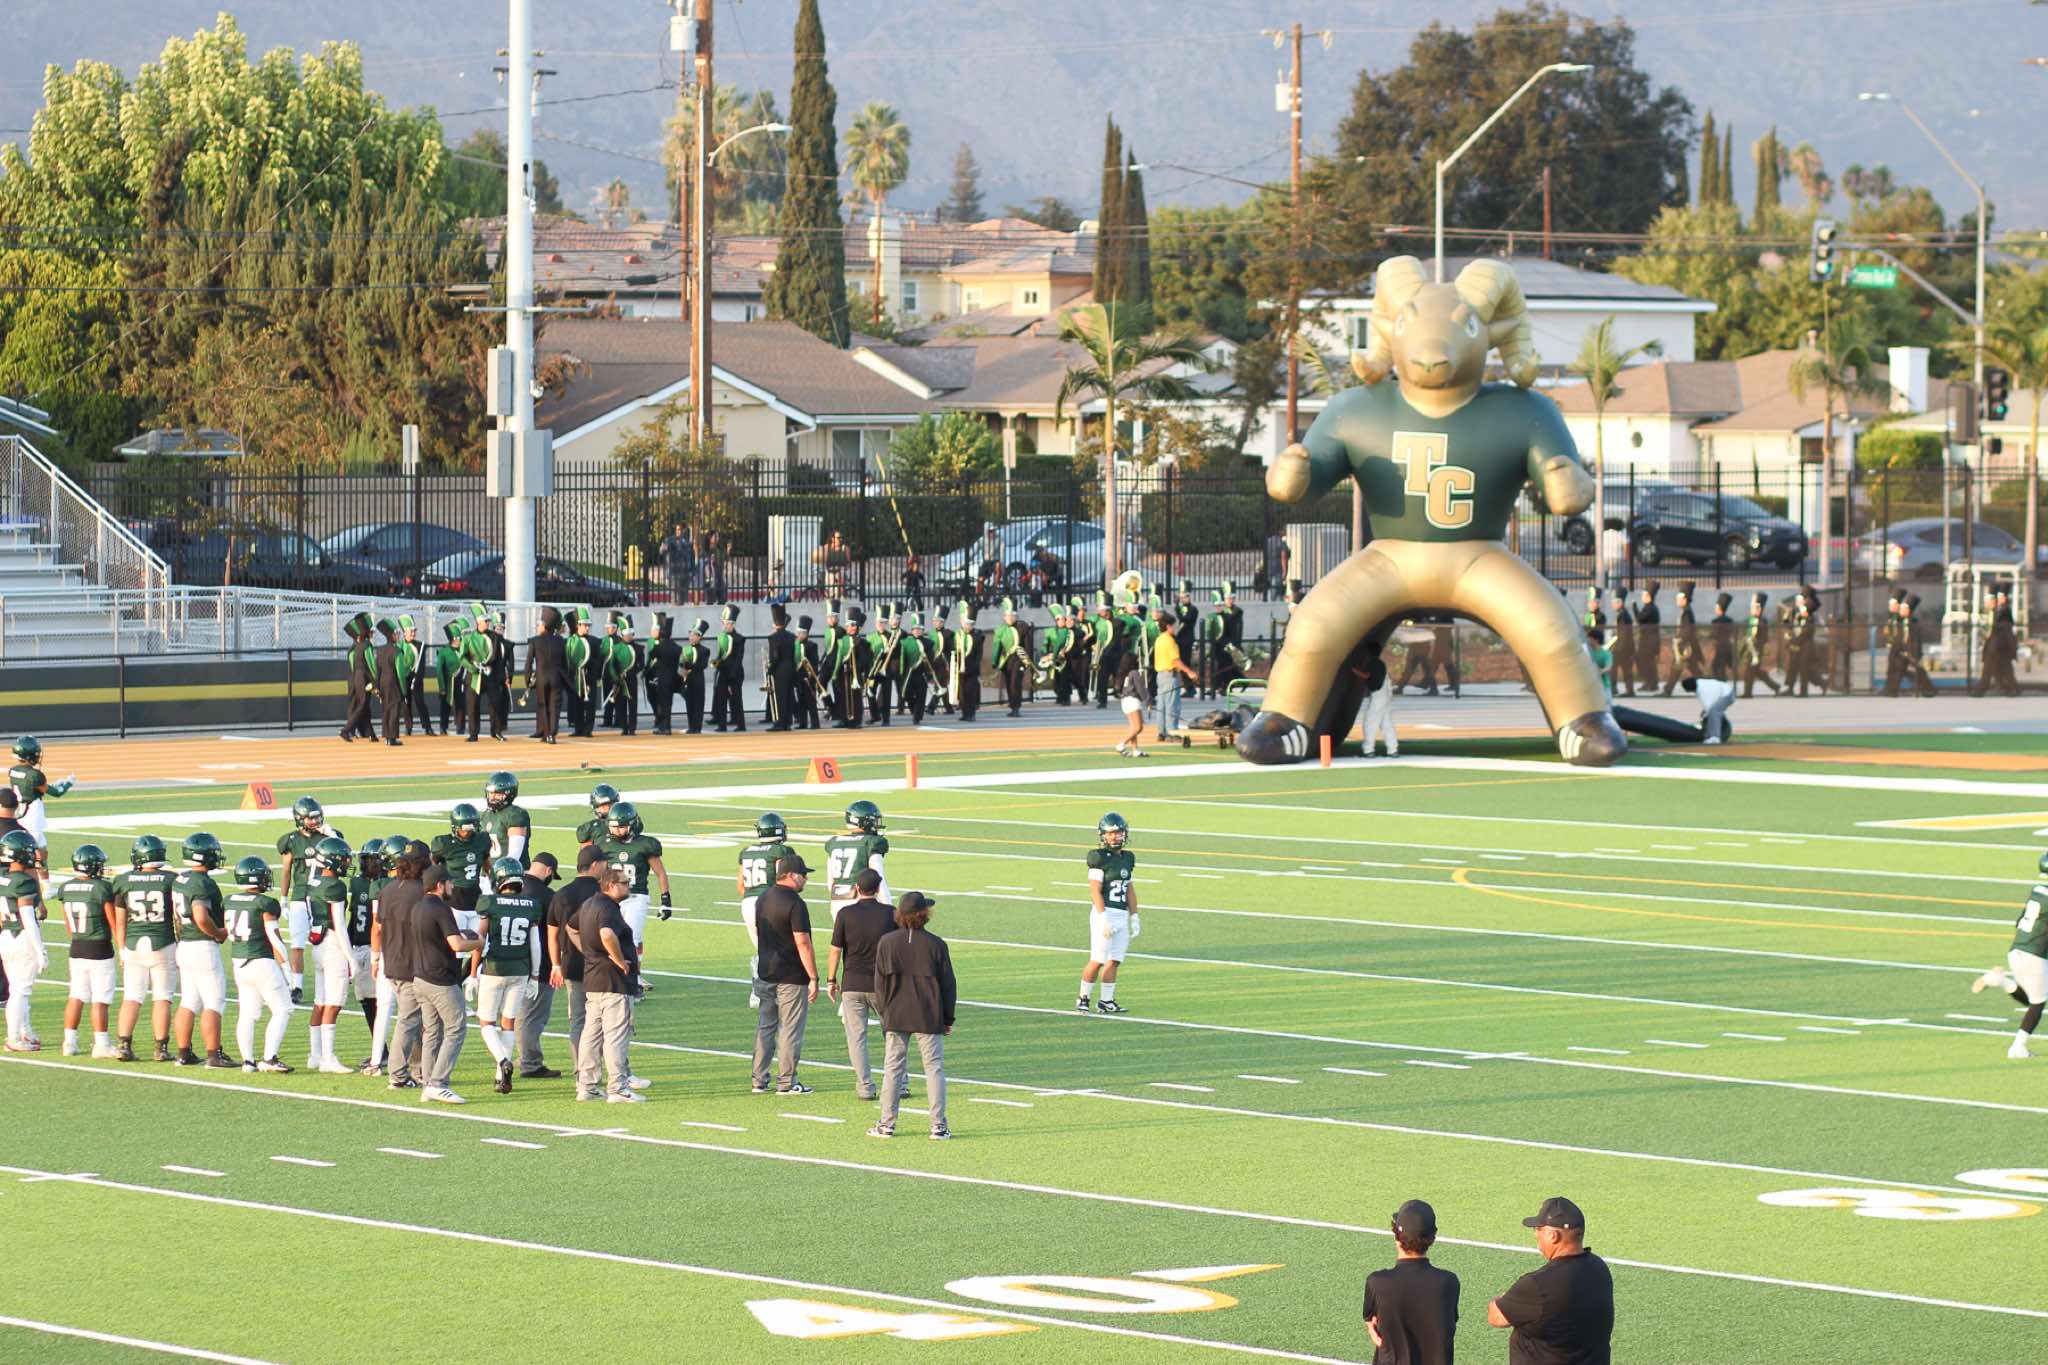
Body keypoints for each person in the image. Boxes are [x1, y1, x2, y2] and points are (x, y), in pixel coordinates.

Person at [869, 890, 956, 1141]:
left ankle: (886, 1124)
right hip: (928, 1015)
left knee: (893, 1069)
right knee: (934, 1068)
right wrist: (947, 1018)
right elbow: (948, 985)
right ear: (922, 914)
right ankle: (938, 1126)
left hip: (896, 1014)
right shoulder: (936, 944)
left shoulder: (886, 942)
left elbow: (879, 984)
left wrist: (885, 1012)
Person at [1487, 1196, 1614, 1365]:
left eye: (1538, 1229)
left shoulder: (1538, 1286)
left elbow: (1496, 1316)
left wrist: (1503, 1298)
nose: (1536, 1234)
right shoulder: (1599, 1269)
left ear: (1553, 1236)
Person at [401, 862, 480, 1104]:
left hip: (420, 978)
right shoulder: (440, 908)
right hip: (440, 980)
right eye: (449, 882)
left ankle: (428, 1084)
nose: (452, 886)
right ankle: (438, 1083)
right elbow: (457, 944)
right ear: (439, 885)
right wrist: (479, 942)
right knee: (456, 1028)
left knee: (432, 1032)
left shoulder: (417, 907)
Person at [571, 865, 643, 1102]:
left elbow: (571, 928)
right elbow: (607, 934)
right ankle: (617, 1088)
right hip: (614, 982)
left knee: (591, 1035)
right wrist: (618, 959)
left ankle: (587, 1085)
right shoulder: (608, 907)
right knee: (615, 1036)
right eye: (624, 883)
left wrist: (590, 953)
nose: (628, 886)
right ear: (611, 885)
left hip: (593, 979)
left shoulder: (588, 904)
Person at [751, 853, 819, 1096]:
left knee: (766, 1026)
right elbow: (803, 943)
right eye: (803, 875)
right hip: (790, 975)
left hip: (765, 971)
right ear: (790, 875)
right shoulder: (795, 903)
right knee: (790, 1029)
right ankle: (787, 1082)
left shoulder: (763, 898)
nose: (806, 879)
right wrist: (813, 977)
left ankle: (759, 1079)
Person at [475, 856, 544, 1094]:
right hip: (521, 970)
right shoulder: (531, 904)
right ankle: (500, 1078)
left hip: (494, 968)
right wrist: (535, 976)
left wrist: (472, 973)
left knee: (486, 1022)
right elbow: (535, 945)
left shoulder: (489, 902)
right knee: (508, 1022)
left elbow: (479, 940)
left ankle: (503, 1061)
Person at [1362, 1199, 1459, 1365]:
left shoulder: (1377, 1283)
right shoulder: (1449, 1283)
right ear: (1432, 1239)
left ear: (1396, 1236)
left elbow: (1371, 1321)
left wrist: (1371, 1329)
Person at [827, 868, 896, 1101]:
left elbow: (835, 950)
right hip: (882, 984)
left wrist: (831, 979)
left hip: (852, 984)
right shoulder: (890, 914)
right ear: (878, 889)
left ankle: (865, 1086)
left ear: (857, 888)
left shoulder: (845, 914)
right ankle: (899, 1084)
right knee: (893, 1035)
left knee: (856, 1038)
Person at [1973, 850, 2048, 1059]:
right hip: (2035, 954)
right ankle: (2018, 1047)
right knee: (2037, 1003)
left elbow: (2019, 922)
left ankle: (1999, 980)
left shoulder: (2037, 890)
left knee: (2032, 999)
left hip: (2017, 949)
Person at [222, 855, 294, 1072]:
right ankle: (269, 1058)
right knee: (283, 1009)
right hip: (262, 962)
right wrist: (287, 968)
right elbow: (275, 939)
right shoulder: (265, 904)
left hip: (238, 963)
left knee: (248, 1014)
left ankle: (248, 1061)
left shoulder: (229, 900)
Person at [169, 832, 233, 1068]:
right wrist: (218, 933)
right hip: (202, 946)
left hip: (184, 944)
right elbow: (201, 916)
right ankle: (214, 1055)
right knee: (214, 1002)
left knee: (189, 1001)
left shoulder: (181, 879)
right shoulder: (202, 882)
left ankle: (183, 1053)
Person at [113, 834, 178, 1062]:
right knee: (162, 997)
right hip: (163, 943)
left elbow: (120, 922)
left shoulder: (123, 880)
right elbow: (178, 917)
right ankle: (161, 1048)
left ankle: (124, 1045)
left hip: (133, 944)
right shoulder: (171, 879)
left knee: (131, 996)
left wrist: (121, 949)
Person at [547, 846, 607, 1080]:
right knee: (604, 1019)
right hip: (599, 964)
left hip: (570, 962)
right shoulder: (603, 892)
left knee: (578, 1020)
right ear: (595, 865)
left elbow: (552, 934)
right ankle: (602, 1069)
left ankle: (580, 1069)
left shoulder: (561, 894)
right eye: (604, 863)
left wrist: (555, 964)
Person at [305, 836, 362, 1074]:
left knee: (320, 1001)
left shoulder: (313, 882)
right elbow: (339, 926)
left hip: (317, 946)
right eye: (344, 859)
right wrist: (351, 958)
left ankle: (315, 1055)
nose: (347, 863)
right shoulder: (335, 886)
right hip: (333, 947)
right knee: (334, 1003)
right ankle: (327, 1058)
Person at [57, 844, 120, 1058]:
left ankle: (69, 1042)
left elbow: (69, 926)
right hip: (99, 949)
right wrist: (122, 949)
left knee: (76, 996)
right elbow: (114, 923)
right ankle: (101, 1044)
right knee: (100, 999)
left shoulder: (66, 888)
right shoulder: (101, 888)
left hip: (77, 947)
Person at [594, 800, 671, 968]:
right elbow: (598, 872)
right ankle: (623, 973)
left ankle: (634, 977)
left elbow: (660, 872)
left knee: (632, 939)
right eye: (613, 826)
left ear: (632, 824)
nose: (616, 830)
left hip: (636, 896)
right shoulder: (604, 844)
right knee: (608, 936)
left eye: (621, 827)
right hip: (611, 898)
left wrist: (666, 900)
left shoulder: (645, 844)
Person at [1078, 813, 1136, 1014]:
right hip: (1104, 913)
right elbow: (1095, 890)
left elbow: (1129, 888)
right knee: (1098, 959)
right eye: (1110, 833)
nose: (1114, 837)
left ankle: (1106, 1001)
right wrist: (1103, 917)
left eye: (1118, 832)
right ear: (1103, 835)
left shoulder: (1128, 858)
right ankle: (1083, 998)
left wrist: (1134, 915)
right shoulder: (1099, 858)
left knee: (1115, 959)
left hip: (1120, 914)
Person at [514, 851, 565, 1080]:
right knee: (532, 1016)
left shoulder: (510, 886)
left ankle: (511, 1058)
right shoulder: (548, 896)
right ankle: (530, 1063)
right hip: (539, 963)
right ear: (549, 871)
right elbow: (556, 932)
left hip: (508, 961)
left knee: (513, 1014)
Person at [739, 813, 796, 1007]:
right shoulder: (781, 851)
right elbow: (783, 879)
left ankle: (758, 993)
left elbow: (741, 886)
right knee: (780, 948)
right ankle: (775, 991)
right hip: (770, 903)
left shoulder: (747, 851)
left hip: (748, 903)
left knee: (762, 949)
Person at [0, 831, 47, 1052]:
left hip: (5, 936)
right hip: (21, 937)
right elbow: (28, 919)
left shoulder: (3, 877)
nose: (33, 854)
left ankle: (25, 1031)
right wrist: (41, 951)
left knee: (17, 989)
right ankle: (13, 1039)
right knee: (21, 991)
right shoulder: (24, 881)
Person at [8, 734, 71, 871]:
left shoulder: (13, 771)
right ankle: (38, 881)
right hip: (32, 816)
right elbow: (57, 792)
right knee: (36, 856)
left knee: (38, 851)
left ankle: (43, 881)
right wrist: (68, 783)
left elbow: (33, 786)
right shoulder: (35, 775)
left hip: (19, 813)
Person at [823, 800, 890, 923]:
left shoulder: (834, 843)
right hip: (862, 903)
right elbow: (879, 879)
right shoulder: (871, 843)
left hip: (838, 901)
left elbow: (830, 881)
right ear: (865, 822)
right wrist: (888, 907)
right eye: (874, 820)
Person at [1152, 600, 1198, 742]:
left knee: (1162, 706)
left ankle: (1161, 732)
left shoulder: (1159, 639)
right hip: (1170, 676)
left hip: (1160, 676)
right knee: (1172, 705)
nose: (1176, 628)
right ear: (1168, 626)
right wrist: (1189, 672)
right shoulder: (1169, 640)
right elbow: (1175, 660)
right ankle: (1171, 732)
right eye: (1174, 625)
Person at [525, 606, 568, 743]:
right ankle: (551, 734)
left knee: (543, 705)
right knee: (554, 707)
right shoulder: (560, 641)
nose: (538, 627)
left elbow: (528, 663)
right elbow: (564, 663)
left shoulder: (535, 641)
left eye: (540, 624)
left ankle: (546, 732)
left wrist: (528, 681)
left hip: (541, 678)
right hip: (556, 678)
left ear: (544, 626)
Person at [341, 612, 378, 741]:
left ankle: (370, 733)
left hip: (357, 677)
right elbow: (372, 665)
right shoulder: (367, 645)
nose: (372, 634)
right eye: (371, 631)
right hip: (364, 678)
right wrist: (376, 681)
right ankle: (346, 730)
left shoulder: (356, 647)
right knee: (362, 705)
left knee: (365, 706)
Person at [480, 771, 530, 865]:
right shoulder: (485, 815)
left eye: (497, 794)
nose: (492, 797)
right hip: (489, 870)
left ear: (509, 794)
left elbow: (514, 855)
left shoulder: (515, 814)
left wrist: (504, 869)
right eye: (490, 793)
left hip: (511, 870)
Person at [712, 605, 747, 732]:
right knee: (721, 699)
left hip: (735, 673)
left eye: (728, 624)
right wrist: (716, 663)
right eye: (724, 623)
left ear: (733, 624)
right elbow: (721, 655)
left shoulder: (739, 639)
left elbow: (738, 659)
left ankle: (741, 725)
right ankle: (722, 725)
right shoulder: (721, 637)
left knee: (736, 700)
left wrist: (732, 676)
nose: (725, 626)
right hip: (723, 673)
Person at [1358, 647, 1398, 757]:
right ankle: (1393, 750)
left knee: (1370, 722)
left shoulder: (1373, 663)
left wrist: (1352, 670)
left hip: (1378, 696)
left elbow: (1366, 676)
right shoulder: (1381, 663)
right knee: (1386, 723)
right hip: (1386, 695)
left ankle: (1368, 750)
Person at [646, 612, 682, 735]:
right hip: (672, 679)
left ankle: (663, 726)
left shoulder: (659, 647)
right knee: (668, 704)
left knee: (662, 704)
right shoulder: (677, 647)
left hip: (661, 679)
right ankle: (667, 727)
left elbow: (652, 655)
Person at [766, 603, 798, 730]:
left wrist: (770, 670)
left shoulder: (773, 637)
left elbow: (774, 657)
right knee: (789, 696)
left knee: (779, 697)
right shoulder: (792, 636)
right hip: (790, 668)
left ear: (775, 623)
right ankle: (787, 723)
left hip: (779, 670)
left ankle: (779, 722)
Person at [679, 618, 713, 734]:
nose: (691, 637)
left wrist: (689, 666)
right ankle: (691, 726)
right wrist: (683, 665)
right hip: (687, 679)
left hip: (698, 679)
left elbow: (702, 665)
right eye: (690, 634)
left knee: (698, 703)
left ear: (699, 637)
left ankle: (697, 727)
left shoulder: (704, 650)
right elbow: (681, 662)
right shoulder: (685, 649)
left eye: (694, 635)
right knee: (689, 703)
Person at [1679, 674, 1735, 744]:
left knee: (1714, 711)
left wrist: (1704, 718)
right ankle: (1712, 735)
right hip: (1723, 692)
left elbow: (1709, 707)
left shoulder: (1702, 690)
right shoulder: (1699, 684)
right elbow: (1709, 704)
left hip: (1727, 694)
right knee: (1713, 712)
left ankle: (1715, 738)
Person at [1113, 662, 1148, 758]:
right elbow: (1140, 688)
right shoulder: (1134, 673)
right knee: (1138, 728)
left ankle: (1135, 750)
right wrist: (1147, 701)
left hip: (1125, 700)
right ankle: (1121, 744)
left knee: (1133, 727)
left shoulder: (1123, 673)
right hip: (1133, 701)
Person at [661, 522, 695, 601]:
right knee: (675, 598)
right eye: (677, 529)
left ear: (684, 530)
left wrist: (692, 571)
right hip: (674, 573)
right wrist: (664, 548)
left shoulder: (687, 542)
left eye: (680, 529)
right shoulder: (669, 540)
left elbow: (691, 557)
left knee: (684, 598)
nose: (678, 531)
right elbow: (661, 551)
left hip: (685, 573)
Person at [1585, 628, 1613, 697]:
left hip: (1604, 686)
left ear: (1596, 640)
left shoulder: (1606, 654)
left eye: (1589, 638)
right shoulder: (1587, 653)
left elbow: (1608, 667)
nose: (1587, 640)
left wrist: (1600, 671)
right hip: (1590, 687)